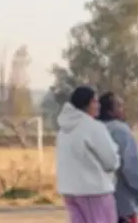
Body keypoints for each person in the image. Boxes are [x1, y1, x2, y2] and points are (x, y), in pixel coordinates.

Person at [56, 86, 120, 223]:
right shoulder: (93, 127)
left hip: (70, 190)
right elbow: (111, 162)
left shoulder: (63, 130)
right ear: (86, 104)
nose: (98, 105)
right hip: (95, 191)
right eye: (95, 102)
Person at [98, 92, 138, 223]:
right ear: (110, 110)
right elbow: (131, 166)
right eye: (119, 106)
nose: (123, 109)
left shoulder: (93, 130)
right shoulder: (120, 131)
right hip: (122, 202)